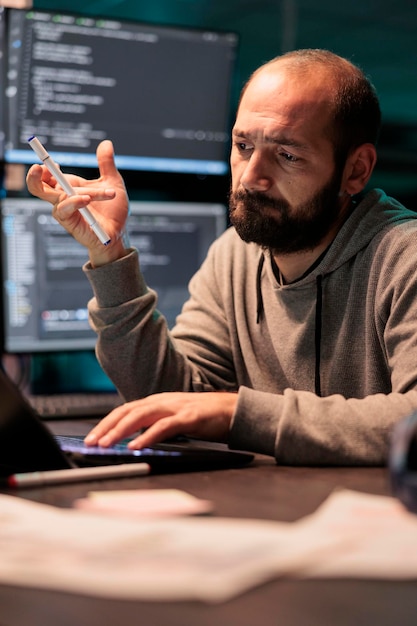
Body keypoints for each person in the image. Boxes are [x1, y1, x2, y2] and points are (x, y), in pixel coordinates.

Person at [26, 48, 417, 466]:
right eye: (243, 145)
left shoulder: (404, 258)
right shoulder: (234, 255)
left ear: (356, 170)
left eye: (287, 155)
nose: (250, 177)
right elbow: (173, 402)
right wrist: (110, 255)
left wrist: (235, 412)